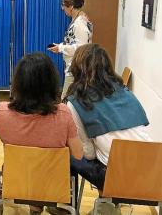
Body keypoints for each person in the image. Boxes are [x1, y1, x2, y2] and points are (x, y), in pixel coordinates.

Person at [0, 52, 83, 215]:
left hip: (17, 183)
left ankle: (35, 207)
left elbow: (3, 137)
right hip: (53, 186)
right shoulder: (63, 113)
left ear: (18, 83)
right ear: (51, 83)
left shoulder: (1, 112)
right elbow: (78, 154)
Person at [65, 44, 152, 194]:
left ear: (77, 68)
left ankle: (71, 207)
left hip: (116, 177)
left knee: (69, 153)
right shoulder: (127, 93)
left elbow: (88, 153)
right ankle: (107, 203)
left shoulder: (76, 102)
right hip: (153, 172)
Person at [48, 0, 93, 98]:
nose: (62, 8)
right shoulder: (79, 20)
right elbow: (74, 41)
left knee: (66, 100)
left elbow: (81, 48)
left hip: (75, 68)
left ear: (71, 6)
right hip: (76, 68)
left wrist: (60, 48)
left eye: (64, 5)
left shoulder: (79, 24)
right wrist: (60, 46)